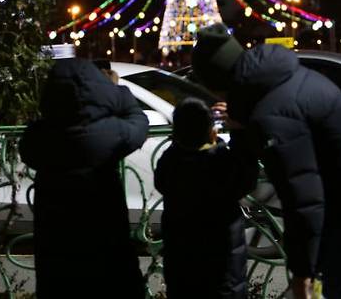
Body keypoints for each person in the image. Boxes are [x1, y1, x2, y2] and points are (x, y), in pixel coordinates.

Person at [191, 23, 341, 299]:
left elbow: (302, 200)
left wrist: (302, 274)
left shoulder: (271, 115)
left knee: (332, 291)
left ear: (218, 85)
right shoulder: (284, 79)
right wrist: (241, 124)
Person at [18, 57, 149, 299]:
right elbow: (139, 122)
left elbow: (28, 145)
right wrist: (118, 91)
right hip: (105, 249)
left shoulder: (38, 137)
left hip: (57, 255)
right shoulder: (111, 132)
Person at [154, 97, 259, 299]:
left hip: (181, 260)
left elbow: (162, 180)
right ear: (212, 132)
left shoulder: (170, 163)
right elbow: (247, 174)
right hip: (223, 262)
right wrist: (237, 130)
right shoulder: (222, 163)